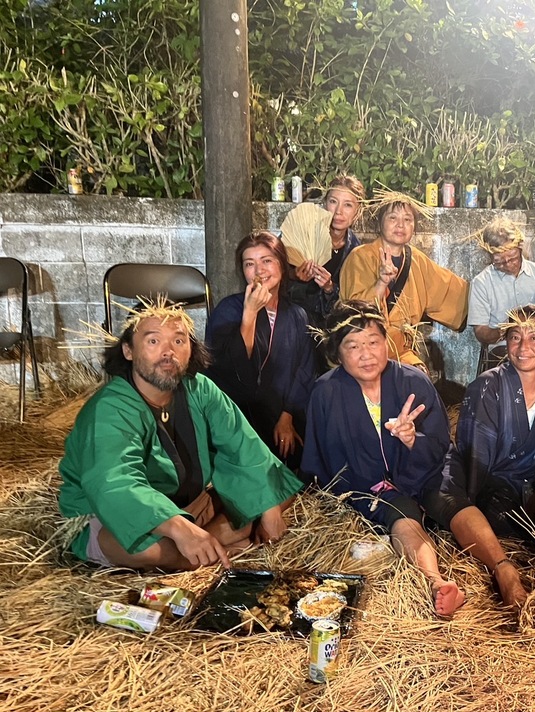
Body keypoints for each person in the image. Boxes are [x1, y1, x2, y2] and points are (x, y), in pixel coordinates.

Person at [59, 302, 302, 571]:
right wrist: (178, 527)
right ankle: (214, 545)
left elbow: (242, 446)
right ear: (128, 350)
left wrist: (268, 508)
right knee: (146, 550)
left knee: (278, 492)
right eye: (153, 341)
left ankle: (205, 544)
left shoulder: (200, 389)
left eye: (178, 340)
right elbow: (115, 483)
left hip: (189, 503)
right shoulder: (110, 408)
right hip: (119, 515)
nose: (168, 352)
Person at [300, 300, 464, 617]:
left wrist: (413, 440)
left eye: (373, 342)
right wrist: (370, 485)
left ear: (386, 342)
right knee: (401, 512)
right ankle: (437, 583)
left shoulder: (413, 381)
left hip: (424, 470)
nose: (366, 354)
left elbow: (439, 443)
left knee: (450, 501)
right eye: (353, 346)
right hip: (371, 486)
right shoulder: (326, 392)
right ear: (337, 354)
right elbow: (325, 459)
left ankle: (501, 567)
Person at [430, 306, 535, 607]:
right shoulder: (487, 386)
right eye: (515, 337)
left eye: (534, 338)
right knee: (486, 511)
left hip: (534, 489)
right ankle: (500, 563)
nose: (523, 347)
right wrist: (475, 503)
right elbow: (476, 458)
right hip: (490, 485)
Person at [205, 232, 315, 469]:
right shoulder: (228, 309)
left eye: (267, 260)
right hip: (239, 414)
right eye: (249, 264)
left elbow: (304, 370)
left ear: (282, 265)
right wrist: (250, 314)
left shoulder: (297, 315)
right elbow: (228, 369)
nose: (259, 270)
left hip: (283, 413)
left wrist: (287, 416)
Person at [339, 191, 468, 370]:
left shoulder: (418, 260)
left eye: (407, 219)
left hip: (402, 352)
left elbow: (451, 291)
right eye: (393, 218)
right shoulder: (360, 257)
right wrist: (381, 283)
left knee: (418, 378)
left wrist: (488, 294)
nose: (401, 225)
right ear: (380, 222)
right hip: (365, 347)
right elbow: (353, 313)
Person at [467, 218, 535, 368]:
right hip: (501, 349)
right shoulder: (482, 282)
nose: (508, 264)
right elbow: (481, 332)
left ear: (520, 248)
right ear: (489, 256)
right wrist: (509, 329)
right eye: (499, 261)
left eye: (513, 258)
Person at [279, 175, 366, 325]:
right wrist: (293, 275)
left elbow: (352, 302)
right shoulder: (302, 231)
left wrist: (329, 288)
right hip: (293, 318)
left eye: (347, 205)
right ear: (325, 203)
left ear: (357, 212)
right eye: (333, 202)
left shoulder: (355, 250)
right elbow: (272, 268)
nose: (338, 211)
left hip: (332, 324)